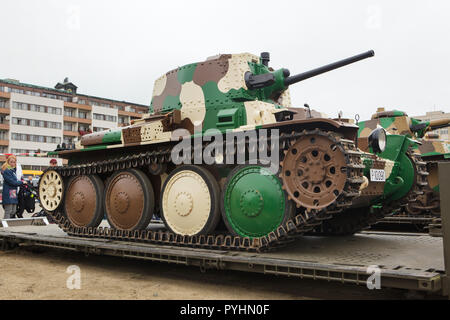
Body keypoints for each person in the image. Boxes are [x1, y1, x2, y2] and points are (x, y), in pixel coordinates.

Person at [1, 155, 25, 219]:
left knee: (13, 210)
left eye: (14, 162)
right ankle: (5, 224)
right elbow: (12, 182)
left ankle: (6, 223)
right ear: (8, 162)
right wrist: (21, 182)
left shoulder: (12, 170)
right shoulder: (6, 171)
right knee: (8, 210)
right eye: (11, 162)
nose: (13, 163)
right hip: (8, 192)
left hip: (13, 192)